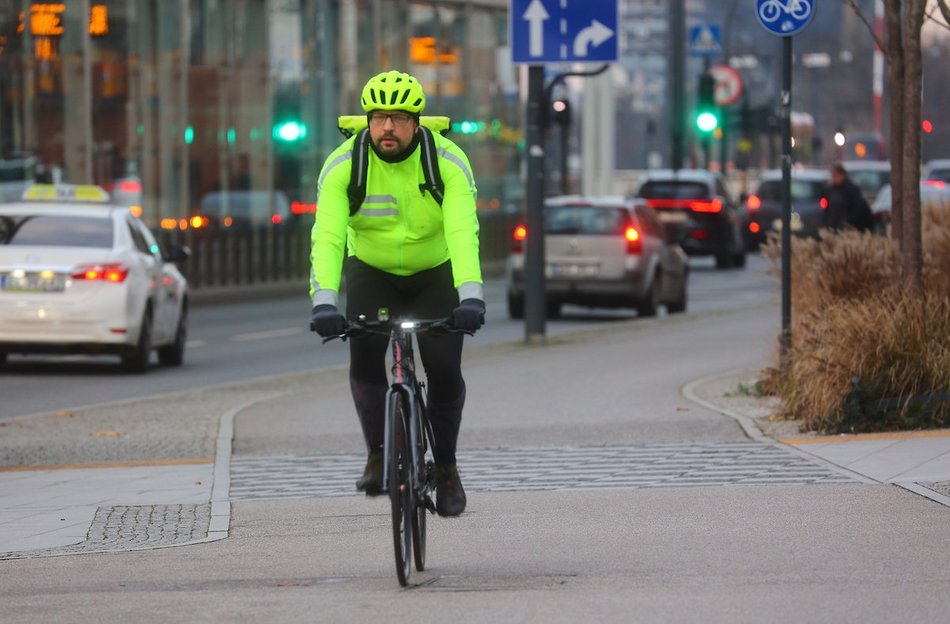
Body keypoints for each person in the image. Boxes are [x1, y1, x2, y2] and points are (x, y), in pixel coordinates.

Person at [308, 70, 484, 517]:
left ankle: (445, 467)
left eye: (400, 118)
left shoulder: (447, 160)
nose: (388, 127)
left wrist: (471, 296)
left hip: (435, 272)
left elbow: (464, 231)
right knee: (366, 359)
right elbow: (327, 236)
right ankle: (377, 452)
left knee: (444, 368)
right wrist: (324, 300)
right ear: (366, 120)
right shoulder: (344, 165)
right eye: (380, 117)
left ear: (418, 122)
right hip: (371, 271)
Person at [824, 162, 874, 233]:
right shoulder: (831, 190)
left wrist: (849, 221)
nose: (834, 178)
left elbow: (859, 207)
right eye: (833, 175)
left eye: (836, 175)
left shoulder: (851, 189)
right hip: (834, 225)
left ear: (842, 175)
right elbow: (826, 207)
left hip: (850, 226)